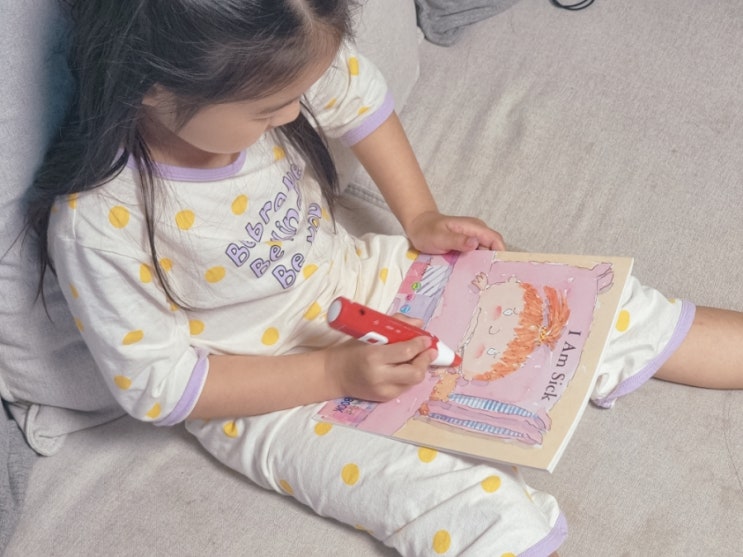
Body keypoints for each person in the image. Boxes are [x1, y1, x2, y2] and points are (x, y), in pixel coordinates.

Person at [24, 1, 743, 556]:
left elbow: (358, 99)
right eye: (270, 112)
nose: (295, 114)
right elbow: (160, 386)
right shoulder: (101, 222)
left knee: (606, 309)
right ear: (151, 90)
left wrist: (421, 216)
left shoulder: (279, 53)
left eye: (298, 96)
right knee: (470, 508)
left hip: (364, 279)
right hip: (260, 393)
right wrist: (335, 373)